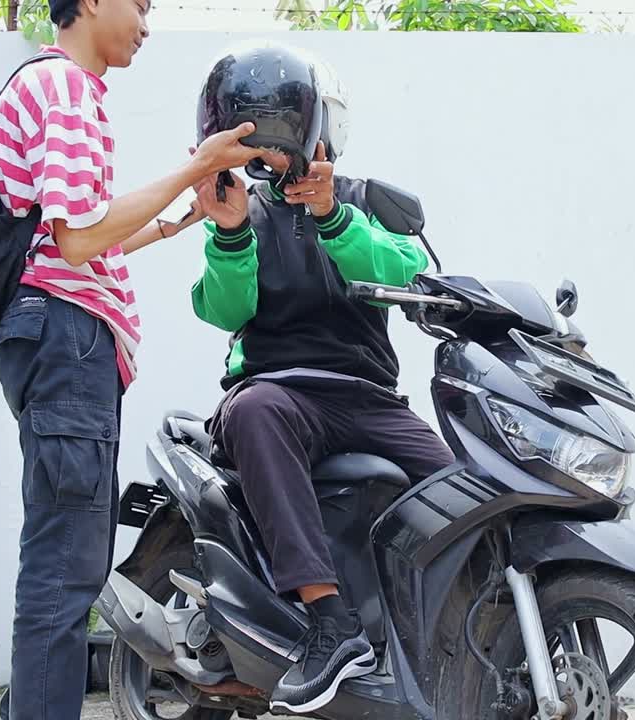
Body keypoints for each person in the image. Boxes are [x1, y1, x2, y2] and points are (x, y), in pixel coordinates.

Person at [0, 3, 263, 719]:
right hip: (68, 342)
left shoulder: (55, 87)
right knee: (65, 568)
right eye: (139, 3)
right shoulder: (66, 88)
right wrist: (196, 165)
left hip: (62, 339)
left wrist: (174, 221)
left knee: (64, 553)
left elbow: (70, 238)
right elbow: (76, 242)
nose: (146, 19)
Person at [190, 43, 457, 715]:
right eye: (256, 146)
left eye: (280, 139)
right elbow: (222, 308)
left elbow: (405, 276)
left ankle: (459, 634)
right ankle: (332, 624)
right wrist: (227, 236)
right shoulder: (239, 213)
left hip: (366, 399)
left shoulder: (362, 202)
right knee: (255, 411)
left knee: (460, 485)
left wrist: (333, 219)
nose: (271, 161)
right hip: (279, 394)